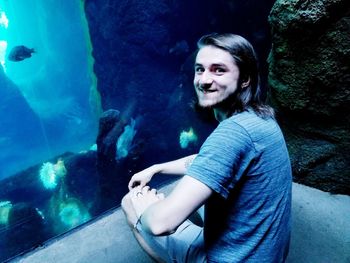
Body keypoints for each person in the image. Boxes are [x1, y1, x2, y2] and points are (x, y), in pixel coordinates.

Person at [121, 33, 292, 263]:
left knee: (132, 204)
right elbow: (207, 160)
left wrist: (146, 207)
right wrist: (156, 168)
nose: (203, 80)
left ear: (245, 79)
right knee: (192, 196)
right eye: (200, 69)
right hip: (267, 256)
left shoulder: (232, 134)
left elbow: (160, 224)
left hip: (231, 259)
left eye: (218, 70)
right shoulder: (260, 118)